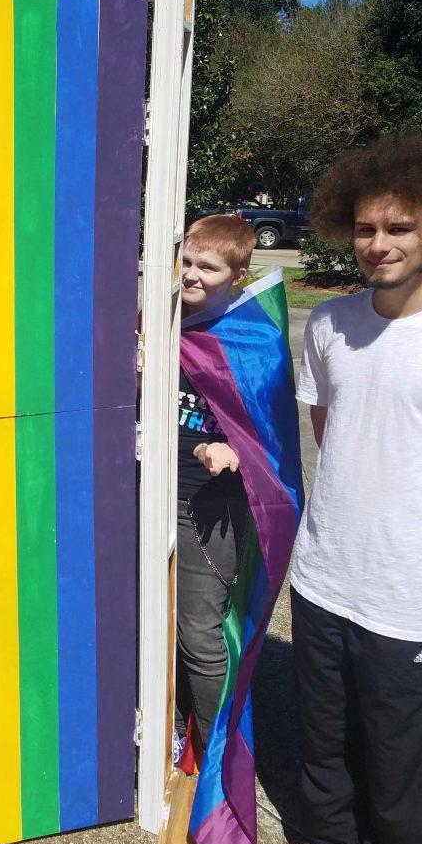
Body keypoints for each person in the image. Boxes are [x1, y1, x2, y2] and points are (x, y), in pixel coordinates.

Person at [261, 140, 422, 844]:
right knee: (322, 733)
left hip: (411, 591)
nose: (379, 243)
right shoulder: (327, 324)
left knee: (401, 759)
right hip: (327, 572)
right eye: (365, 227)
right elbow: (328, 427)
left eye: (400, 226)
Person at [174, 215, 255, 755]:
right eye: (186, 261)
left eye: (209, 266)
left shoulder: (248, 337)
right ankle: (171, 725)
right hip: (146, 487)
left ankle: (214, 753)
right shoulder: (158, 320)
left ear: (238, 274)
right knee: (147, 615)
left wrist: (229, 448)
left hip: (209, 503)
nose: (193, 274)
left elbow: (267, 434)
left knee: (200, 630)